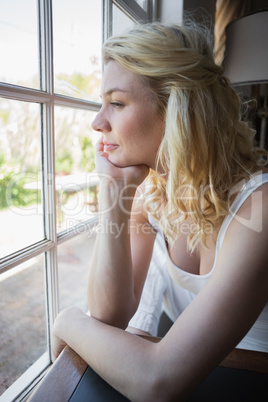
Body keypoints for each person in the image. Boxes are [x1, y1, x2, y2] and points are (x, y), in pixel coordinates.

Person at [52, 21, 268, 401]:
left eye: (116, 103)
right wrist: (113, 194)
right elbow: (109, 317)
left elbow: (159, 381)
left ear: (177, 109)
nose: (97, 122)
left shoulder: (258, 208)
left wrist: (66, 319)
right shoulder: (151, 193)